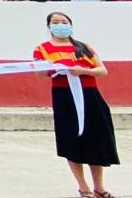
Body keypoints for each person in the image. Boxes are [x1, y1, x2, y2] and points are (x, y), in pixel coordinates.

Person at [33, 12, 119, 198]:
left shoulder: (83, 47)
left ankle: (99, 187)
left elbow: (102, 70)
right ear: (49, 26)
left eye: (64, 22)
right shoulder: (43, 49)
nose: (60, 25)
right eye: (56, 22)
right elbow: (39, 75)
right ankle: (83, 187)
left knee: (96, 141)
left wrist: (82, 70)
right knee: (72, 141)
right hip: (64, 98)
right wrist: (48, 67)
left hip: (90, 96)